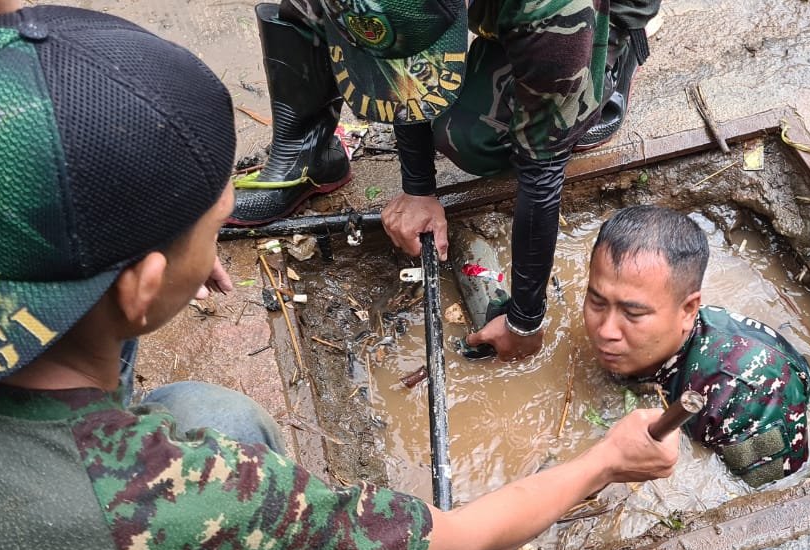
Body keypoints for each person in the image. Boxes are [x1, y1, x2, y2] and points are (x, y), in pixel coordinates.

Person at [0, 7, 677, 550]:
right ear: (141, 285)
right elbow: (454, 548)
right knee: (223, 427)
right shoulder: (198, 505)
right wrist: (606, 458)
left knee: (209, 419)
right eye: (209, 229)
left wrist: (158, 261)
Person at [228, 0, 660, 360]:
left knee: (471, 138)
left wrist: (525, 320)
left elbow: (542, 171)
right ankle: (309, 154)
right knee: (304, 9)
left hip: (581, 17)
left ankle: (609, 64)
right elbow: (398, 68)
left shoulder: (553, 8)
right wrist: (419, 188)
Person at [582, 206, 810, 488]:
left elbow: (769, 494)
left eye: (632, 314)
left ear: (688, 309)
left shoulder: (748, 397)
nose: (605, 331)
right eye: (597, 302)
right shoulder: (640, 333)